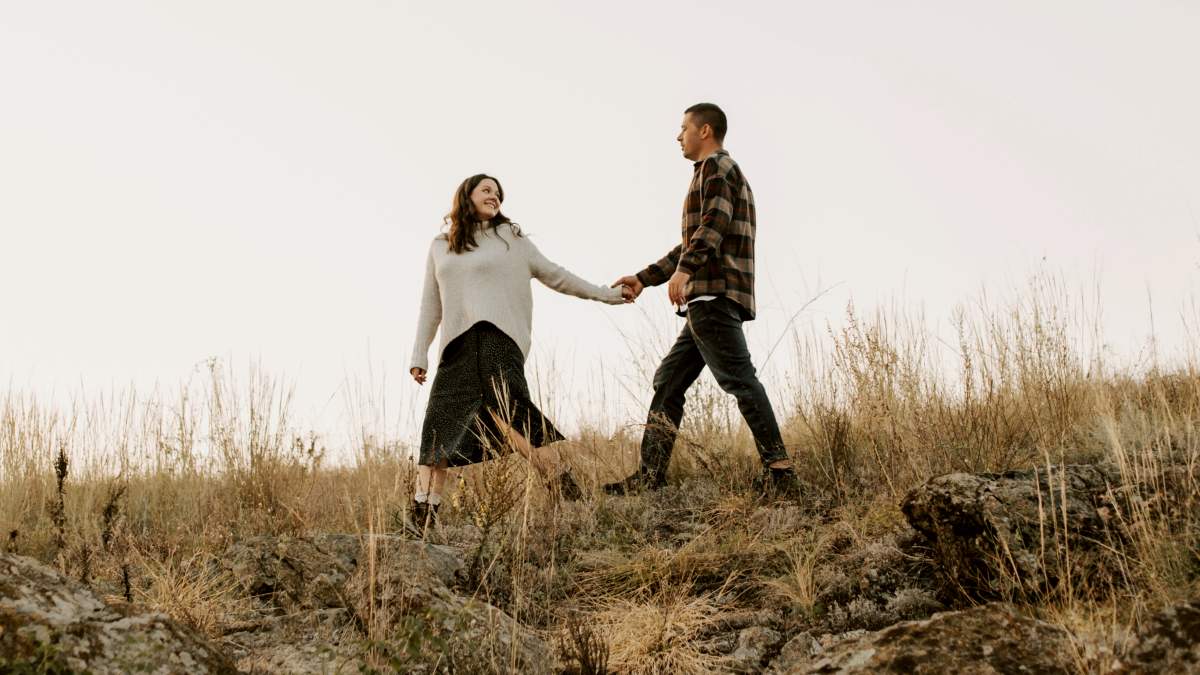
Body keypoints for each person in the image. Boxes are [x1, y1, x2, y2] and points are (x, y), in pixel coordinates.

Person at [409, 173, 632, 531]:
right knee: (438, 427)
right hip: (457, 346)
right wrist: (420, 354)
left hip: (498, 338)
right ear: (465, 196)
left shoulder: (511, 239)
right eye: (486, 190)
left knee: (511, 414)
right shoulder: (440, 245)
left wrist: (607, 293)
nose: (494, 196)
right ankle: (422, 517)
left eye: (498, 193)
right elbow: (429, 305)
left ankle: (564, 486)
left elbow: (556, 275)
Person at [604, 103, 803, 498]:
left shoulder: (718, 169)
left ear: (705, 131)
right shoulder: (711, 173)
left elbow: (713, 225)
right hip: (705, 298)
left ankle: (781, 474)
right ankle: (651, 476)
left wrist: (685, 271)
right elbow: (692, 241)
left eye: (683, 129)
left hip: (712, 296)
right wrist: (646, 278)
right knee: (668, 381)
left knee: (740, 381)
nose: (678, 136)